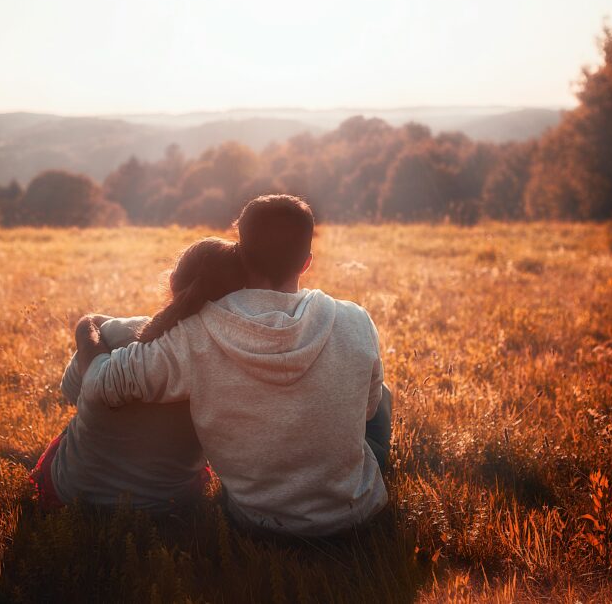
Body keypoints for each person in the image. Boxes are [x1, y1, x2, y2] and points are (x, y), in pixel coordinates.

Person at [76, 195, 391, 537]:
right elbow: (368, 410)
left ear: (240, 254)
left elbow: (102, 384)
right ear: (306, 263)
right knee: (382, 395)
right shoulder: (356, 319)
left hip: (258, 525)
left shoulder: (196, 333)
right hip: (358, 514)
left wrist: (86, 331)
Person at [30, 237, 247, 512]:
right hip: (168, 505)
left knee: (67, 438)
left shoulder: (114, 333)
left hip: (71, 495)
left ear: (172, 282)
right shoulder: (232, 362)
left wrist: (90, 324)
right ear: (239, 295)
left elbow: (72, 392)